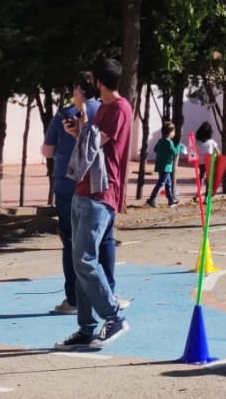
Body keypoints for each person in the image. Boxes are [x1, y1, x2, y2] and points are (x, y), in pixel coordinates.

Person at [55, 57, 133, 350]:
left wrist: (80, 113)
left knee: (85, 260)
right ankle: (86, 329)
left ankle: (113, 316)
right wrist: (80, 128)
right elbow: (90, 144)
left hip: (100, 193)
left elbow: (95, 144)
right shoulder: (102, 111)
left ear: (98, 82)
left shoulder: (117, 109)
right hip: (84, 190)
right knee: (81, 262)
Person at [42, 77, 117, 313]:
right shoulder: (105, 110)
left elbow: (47, 150)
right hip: (101, 182)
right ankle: (108, 293)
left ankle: (74, 299)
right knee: (104, 240)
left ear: (77, 91)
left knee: (73, 244)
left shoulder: (66, 113)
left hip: (69, 182)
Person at [149, 121, 182, 207]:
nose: (174, 133)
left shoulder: (160, 141)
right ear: (170, 132)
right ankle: (151, 199)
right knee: (161, 183)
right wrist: (179, 147)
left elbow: (155, 149)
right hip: (166, 167)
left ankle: (171, 200)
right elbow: (174, 152)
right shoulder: (169, 142)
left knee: (168, 183)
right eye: (174, 132)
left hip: (160, 165)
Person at [193, 121, 222, 203]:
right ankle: (206, 197)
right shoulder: (212, 142)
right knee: (209, 180)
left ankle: (198, 191)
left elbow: (194, 151)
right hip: (210, 162)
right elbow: (218, 153)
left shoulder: (197, 142)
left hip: (201, 162)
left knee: (201, 176)